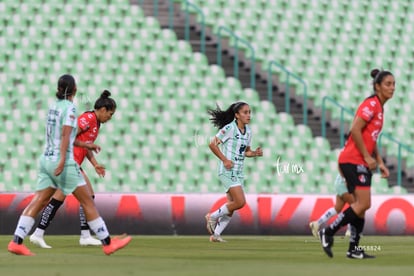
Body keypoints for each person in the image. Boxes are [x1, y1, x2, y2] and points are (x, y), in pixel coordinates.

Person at [7, 74, 131, 256]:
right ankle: (108, 242)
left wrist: (86, 147)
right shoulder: (71, 109)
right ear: (74, 90)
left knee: (40, 199)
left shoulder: (53, 107)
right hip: (62, 162)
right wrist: (64, 160)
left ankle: (17, 241)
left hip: (46, 159)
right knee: (87, 200)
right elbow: (67, 135)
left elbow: (62, 136)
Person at [319, 69, 393, 259]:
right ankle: (328, 231)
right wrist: (368, 158)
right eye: (388, 84)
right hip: (352, 160)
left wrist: (380, 162)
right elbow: (355, 129)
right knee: (363, 204)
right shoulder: (371, 104)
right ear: (377, 86)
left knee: (361, 207)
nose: (392, 88)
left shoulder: (380, 108)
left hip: (360, 161)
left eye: (393, 84)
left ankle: (353, 249)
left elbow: (371, 138)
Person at [29, 90, 116, 249]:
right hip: (69, 163)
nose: (110, 117)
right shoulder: (88, 119)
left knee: (87, 196)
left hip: (74, 163)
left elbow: (86, 145)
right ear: (103, 110)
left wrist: (95, 164)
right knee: (60, 199)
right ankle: (38, 233)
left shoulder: (96, 123)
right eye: (110, 114)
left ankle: (84, 235)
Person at [205, 102, 263, 242]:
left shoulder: (248, 131)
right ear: (237, 115)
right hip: (227, 170)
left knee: (231, 206)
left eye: (249, 112)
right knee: (240, 202)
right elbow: (212, 144)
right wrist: (224, 160)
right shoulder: (230, 128)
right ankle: (212, 216)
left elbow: (245, 152)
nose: (248, 115)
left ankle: (216, 235)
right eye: (245, 112)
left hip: (238, 171)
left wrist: (254, 153)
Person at [309, 174, 354, 238]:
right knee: (354, 207)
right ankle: (350, 231)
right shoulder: (354, 165)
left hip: (339, 183)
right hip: (344, 183)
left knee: (337, 208)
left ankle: (317, 223)